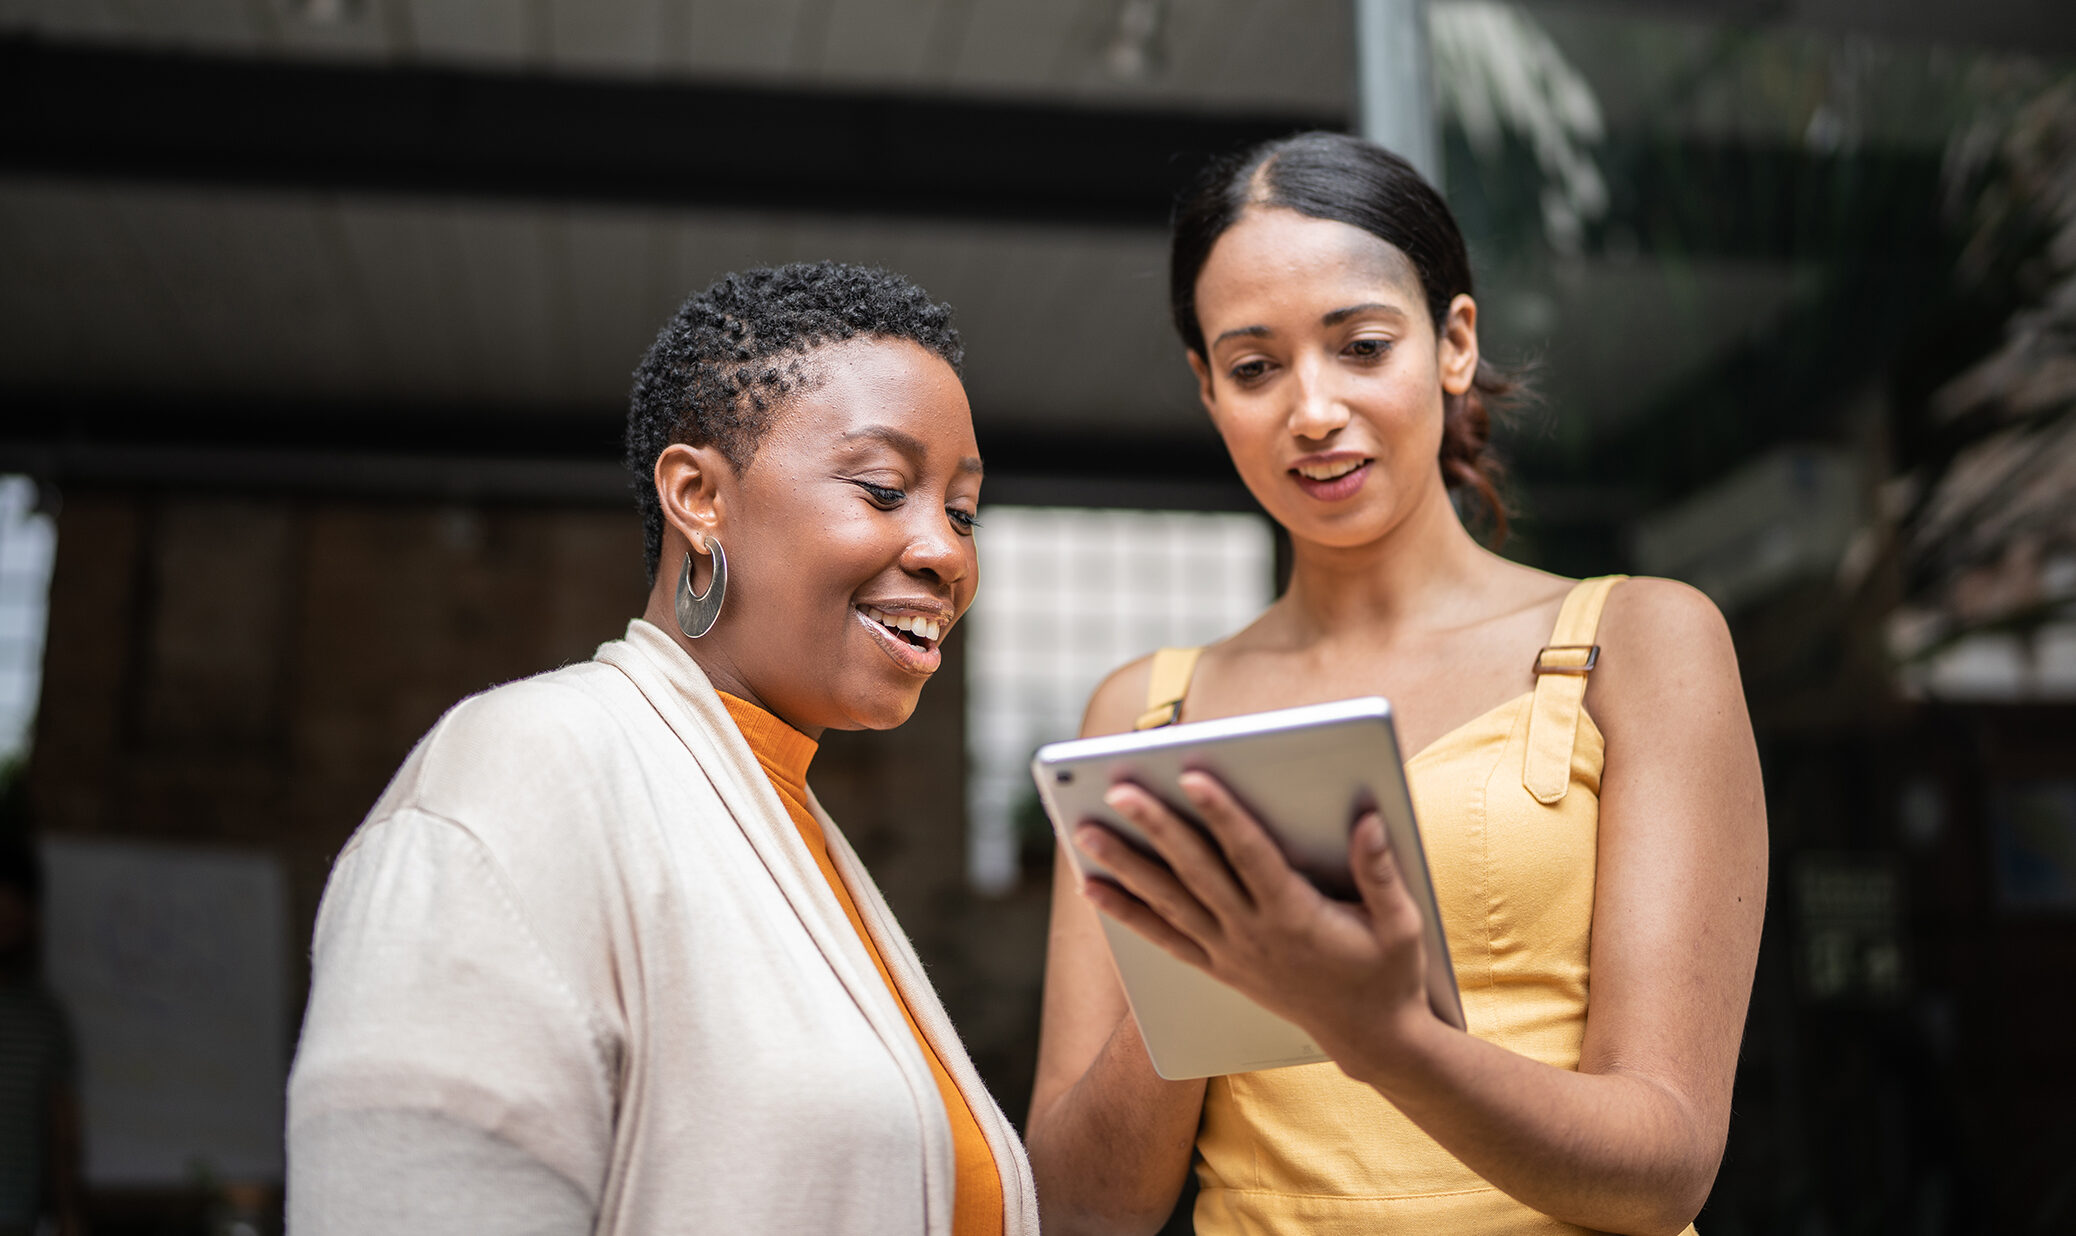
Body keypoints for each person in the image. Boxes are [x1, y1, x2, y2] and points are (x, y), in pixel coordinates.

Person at [1025, 133, 1767, 1236]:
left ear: (1453, 343)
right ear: (1207, 389)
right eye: (1255, 367)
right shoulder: (1143, 714)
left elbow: (1666, 1165)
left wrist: (1386, 1036)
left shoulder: (1641, 645)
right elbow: (1080, 1213)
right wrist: (1206, 964)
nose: (1311, 410)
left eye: (1361, 346)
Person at [287, 262, 1038, 1235]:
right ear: (698, 496)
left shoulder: (789, 830)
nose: (948, 552)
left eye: (964, 509)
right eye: (886, 488)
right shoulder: (527, 768)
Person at [0, 836, 83, 1236]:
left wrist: (68, 1212)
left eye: (17, 904)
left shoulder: (45, 1018)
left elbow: (60, 1125)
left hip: (18, 1217)